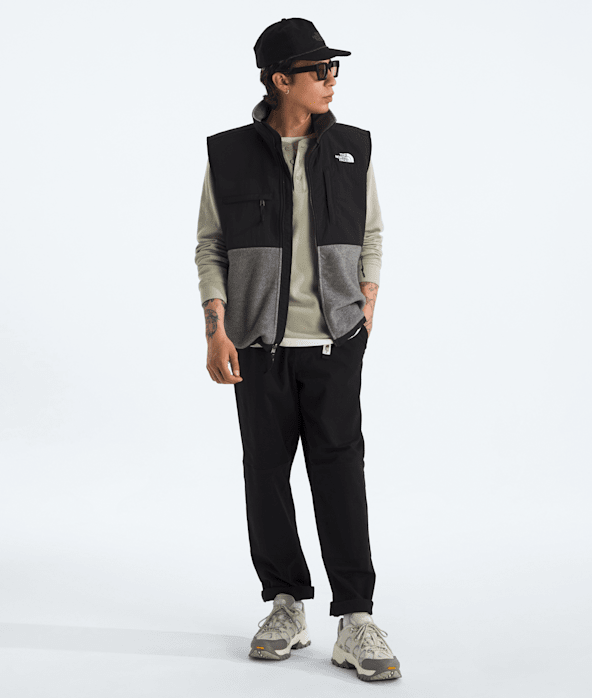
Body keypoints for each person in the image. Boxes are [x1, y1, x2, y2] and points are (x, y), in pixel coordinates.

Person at [195, 17, 401, 682]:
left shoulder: (352, 147)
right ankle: (285, 604)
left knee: (341, 475)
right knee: (266, 475)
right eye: (319, 70)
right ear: (281, 80)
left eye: (333, 68)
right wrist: (215, 327)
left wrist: (366, 303)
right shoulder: (230, 154)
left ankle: (356, 617)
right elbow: (210, 245)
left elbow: (372, 232)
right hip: (258, 346)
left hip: (335, 342)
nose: (331, 79)